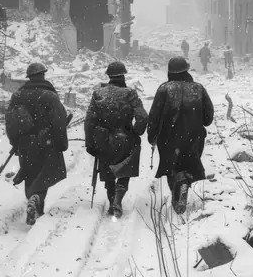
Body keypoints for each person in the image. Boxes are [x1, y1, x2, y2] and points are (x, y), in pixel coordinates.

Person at [147, 56, 214, 215]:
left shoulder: (164, 89)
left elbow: (154, 116)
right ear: (187, 70)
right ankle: (186, 186)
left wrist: (152, 136)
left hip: (169, 138)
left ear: (170, 72)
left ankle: (177, 195)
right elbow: (208, 118)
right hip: (194, 137)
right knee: (191, 164)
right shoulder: (198, 88)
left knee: (172, 167)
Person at [5, 62, 69, 226]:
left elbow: (10, 122)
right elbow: (59, 121)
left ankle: (33, 201)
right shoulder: (49, 96)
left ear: (29, 77)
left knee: (29, 172)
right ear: (43, 75)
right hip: (45, 142)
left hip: (25, 143)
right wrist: (61, 142)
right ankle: (37, 199)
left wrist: (16, 142)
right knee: (45, 173)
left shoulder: (18, 95)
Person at [84, 61, 147, 217]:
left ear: (109, 76)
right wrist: (136, 131)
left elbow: (90, 120)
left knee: (108, 172)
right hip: (125, 138)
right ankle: (118, 200)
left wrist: (90, 142)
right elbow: (142, 116)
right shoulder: (130, 93)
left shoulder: (98, 93)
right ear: (123, 75)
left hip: (103, 139)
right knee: (124, 170)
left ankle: (112, 202)